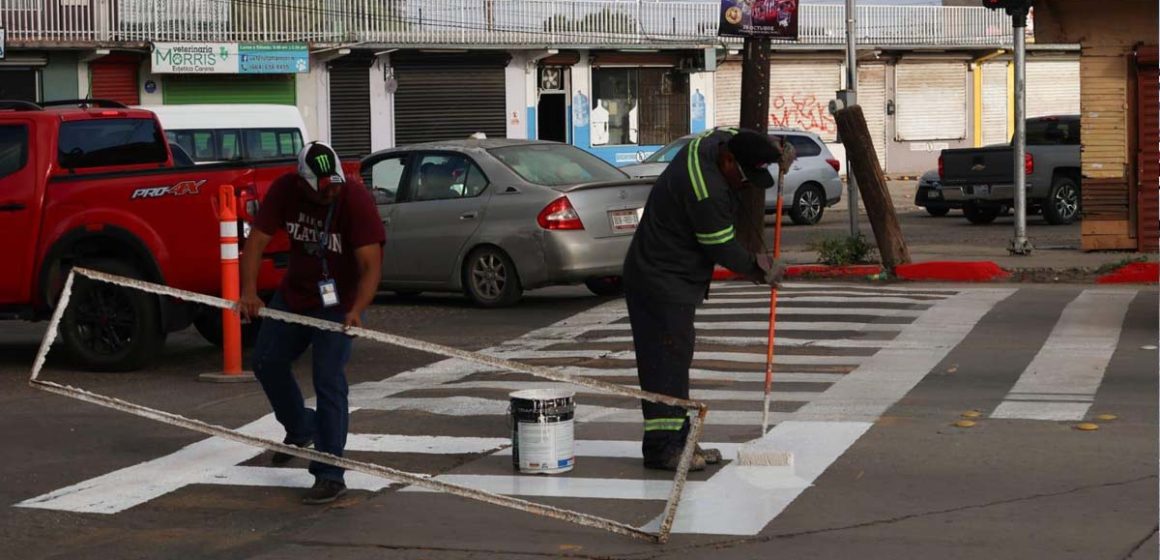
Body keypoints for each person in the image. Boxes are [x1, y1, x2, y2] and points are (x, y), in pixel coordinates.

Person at [622, 128, 789, 471]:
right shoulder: (706, 191)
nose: (744, 184)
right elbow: (721, 247)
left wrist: (775, 149)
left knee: (675, 359)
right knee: (664, 363)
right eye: (743, 176)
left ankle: (680, 441)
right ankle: (663, 448)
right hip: (660, 280)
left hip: (671, 277)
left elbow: (735, 135)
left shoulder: (711, 146)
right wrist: (760, 270)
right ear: (728, 160)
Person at [238, 141, 385, 504]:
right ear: (301, 181)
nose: (330, 192)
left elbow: (371, 265)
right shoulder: (285, 190)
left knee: (328, 379)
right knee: (266, 361)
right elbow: (256, 242)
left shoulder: (354, 199)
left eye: (334, 184)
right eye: (322, 188)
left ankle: (330, 473)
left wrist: (357, 309)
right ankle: (301, 428)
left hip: (339, 303)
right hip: (296, 294)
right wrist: (249, 292)